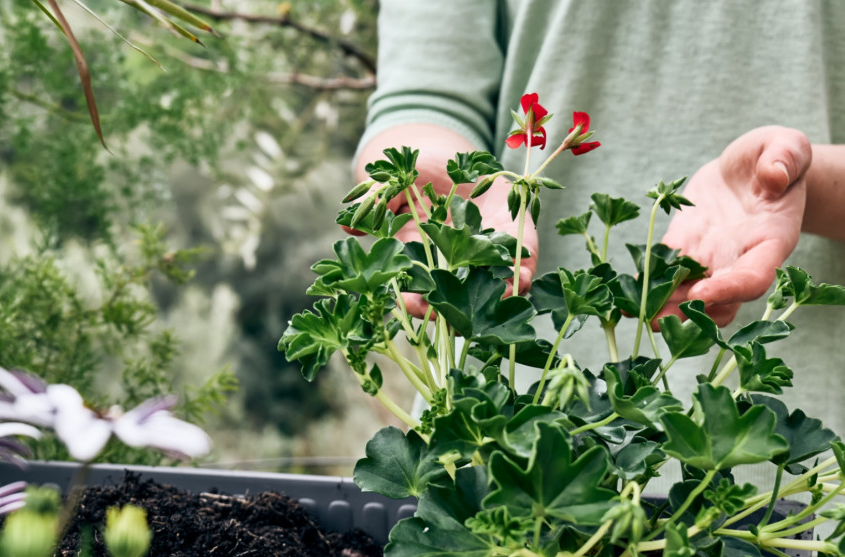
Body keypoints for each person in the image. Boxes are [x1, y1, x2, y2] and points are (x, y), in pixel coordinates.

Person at [352, 1, 845, 441]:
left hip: (804, 483)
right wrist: (432, 182)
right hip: (493, 435)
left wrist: (806, 184)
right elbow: (425, 93)